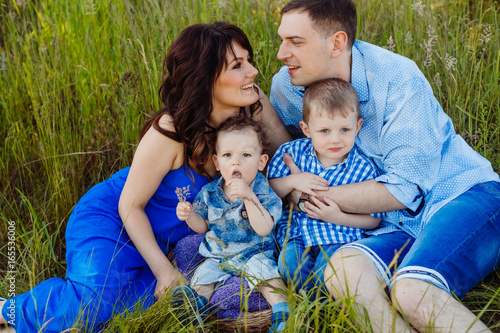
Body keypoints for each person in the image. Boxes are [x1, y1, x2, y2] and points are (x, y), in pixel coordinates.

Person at [0, 21, 288, 333]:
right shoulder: (171, 130)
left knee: (127, 311)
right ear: (206, 79)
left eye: (248, 60)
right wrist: (164, 270)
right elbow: (130, 205)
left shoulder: (251, 104)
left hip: (168, 237)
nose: (253, 72)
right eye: (238, 65)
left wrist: (300, 185)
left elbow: (285, 157)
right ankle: (7, 309)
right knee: (92, 306)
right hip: (116, 216)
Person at [270, 0, 500, 332]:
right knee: (343, 274)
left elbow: (401, 191)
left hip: (459, 197)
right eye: (282, 39)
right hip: (393, 225)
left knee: (411, 292)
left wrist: (308, 194)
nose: (281, 53)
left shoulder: (396, 78)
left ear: (337, 43)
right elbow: (293, 148)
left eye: (295, 42)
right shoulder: (287, 87)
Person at [267, 77, 385, 295]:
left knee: (328, 273)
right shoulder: (291, 154)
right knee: (291, 266)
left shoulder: (363, 168)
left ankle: (324, 311)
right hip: (296, 232)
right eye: (324, 131)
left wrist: (338, 217)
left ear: (357, 126)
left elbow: (374, 219)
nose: (335, 140)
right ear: (306, 129)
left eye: (344, 130)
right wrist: (293, 181)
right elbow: (267, 192)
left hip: (338, 235)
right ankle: (307, 308)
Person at [173, 115, 289, 332]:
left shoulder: (262, 190)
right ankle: (195, 314)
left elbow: (264, 228)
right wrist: (189, 216)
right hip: (219, 255)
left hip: (254, 253)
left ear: (261, 162)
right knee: (202, 279)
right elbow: (203, 227)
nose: (236, 162)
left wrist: (248, 198)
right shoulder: (210, 192)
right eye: (227, 155)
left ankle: (283, 314)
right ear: (217, 162)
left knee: (269, 276)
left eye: (246, 155)